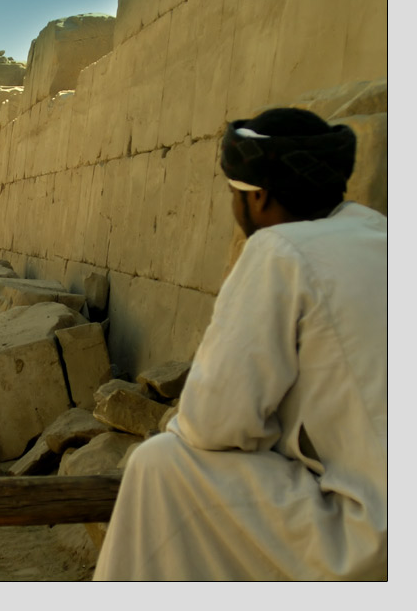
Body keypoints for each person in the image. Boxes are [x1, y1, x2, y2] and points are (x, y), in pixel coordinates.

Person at [93, 107, 387, 581]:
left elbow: (212, 424)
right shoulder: (382, 233)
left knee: (161, 464)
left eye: (234, 195)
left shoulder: (279, 251)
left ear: (260, 198)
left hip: (367, 540)